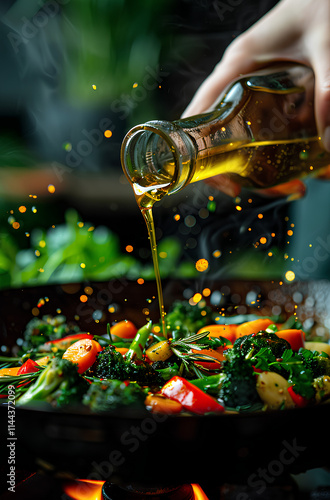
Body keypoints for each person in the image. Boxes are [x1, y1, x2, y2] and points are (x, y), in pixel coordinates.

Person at [181, 0, 330, 197]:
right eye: (278, 155)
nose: (304, 123)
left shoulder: (244, 92)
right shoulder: (253, 175)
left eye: (296, 102)